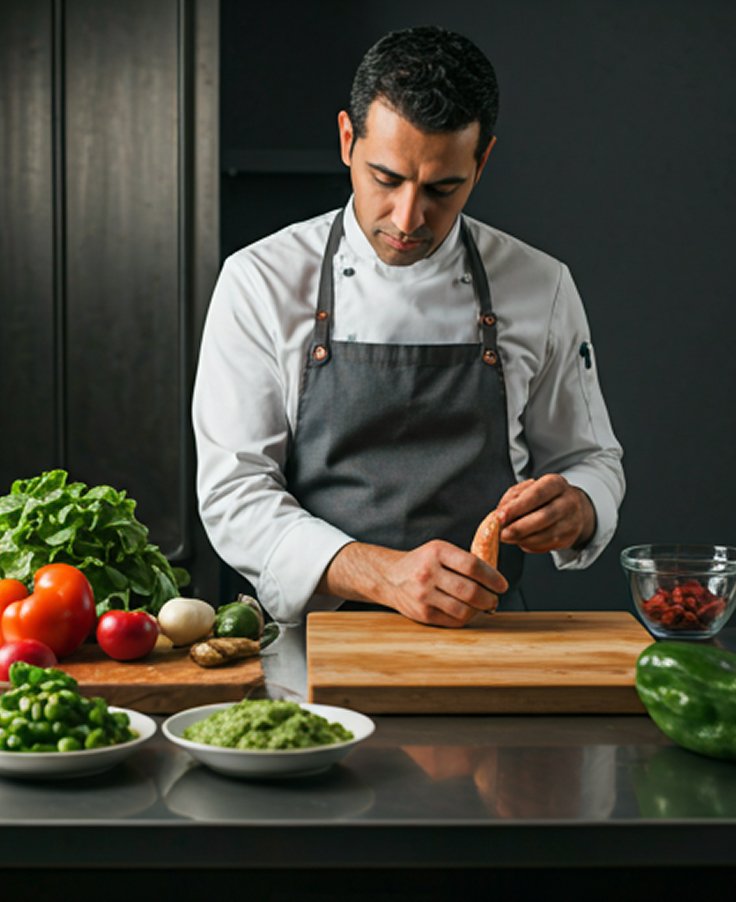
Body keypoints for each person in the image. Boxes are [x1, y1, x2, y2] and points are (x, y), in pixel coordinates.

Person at [192, 25, 624, 628]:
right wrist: (382, 573)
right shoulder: (260, 281)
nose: (408, 217)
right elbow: (234, 493)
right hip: (313, 638)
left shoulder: (540, 285)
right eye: (386, 179)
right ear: (347, 139)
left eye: (443, 188)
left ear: (483, 161)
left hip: (491, 633)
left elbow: (590, 458)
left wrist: (580, 506)